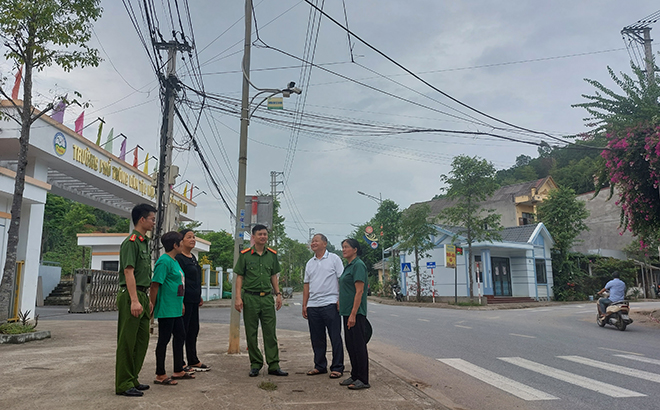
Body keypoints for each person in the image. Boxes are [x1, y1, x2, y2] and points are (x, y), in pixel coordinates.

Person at [234, 224, 288, 377]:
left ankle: (274, 364)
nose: (263, 237)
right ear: (253, 237)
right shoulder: (245, 255)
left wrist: (278, 294)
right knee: (251, 333)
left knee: (270, 332)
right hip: (250, 297)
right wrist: (238, 298)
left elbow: (273, 276)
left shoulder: (272, 255)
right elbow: (239, 277)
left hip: (267, 299)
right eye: (260, 234)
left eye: (265, 234)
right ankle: (256, 363)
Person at [115, 203, 157, 397]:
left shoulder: (144, 242)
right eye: (152, 219)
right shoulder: (131, 242)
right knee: (127, 340)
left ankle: (133, 378)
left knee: (141, 339)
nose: (154, 223)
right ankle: (123, 383)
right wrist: (134, 300)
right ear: (142, 219)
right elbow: (128, 271)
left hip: (142, 293)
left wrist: (145, 298)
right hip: (130, 294)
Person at [149, 230, 195, 386]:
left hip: (176, 307)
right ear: (175, 245)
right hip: (166, 307)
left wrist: (181, 302)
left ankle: (178, 369)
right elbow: (155, 284)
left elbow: (178, 285)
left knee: (180, 335)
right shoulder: (164, 261)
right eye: (181, 241)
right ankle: (160, 374)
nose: (183, 243)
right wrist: (151, 304)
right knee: (164, 340)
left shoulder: (174, 261)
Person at [303, 233, 345, 379]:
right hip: (313, 305)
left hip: (331, 303)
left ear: (325, 244)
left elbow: (342, 279)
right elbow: (306, 285)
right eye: (312, 241)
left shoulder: (334, 259)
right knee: (317, 338)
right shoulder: (310, 263)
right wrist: (305, 304)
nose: (313, 243)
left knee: (335, 337)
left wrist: (340, 299)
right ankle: (320, 365)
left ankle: (337, 367)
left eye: (316, 241)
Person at [176, 229, 210, 372]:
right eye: (189, 237)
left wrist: (199, 296)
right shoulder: (179, 259)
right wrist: (181, 300)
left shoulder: (192, 257)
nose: (192, 239)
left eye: (193, 237)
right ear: (181, 241)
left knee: (193, 330)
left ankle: (193, 359)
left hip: (194, 300)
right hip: (184, 300)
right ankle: (180, 362)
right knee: (182, 331)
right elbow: (179, 281)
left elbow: (195, 280)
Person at [338, 238, 370, 390]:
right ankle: (355, 375)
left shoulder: (358, 265)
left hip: (356, 313)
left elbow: (359, 291)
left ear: (355, 249)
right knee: (351, 345)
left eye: (346, 247)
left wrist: (353, 314)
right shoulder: (349, 266)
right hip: (347, 312)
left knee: (359, 346)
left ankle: (363, 379)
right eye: (342, 247)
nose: (343, 249)